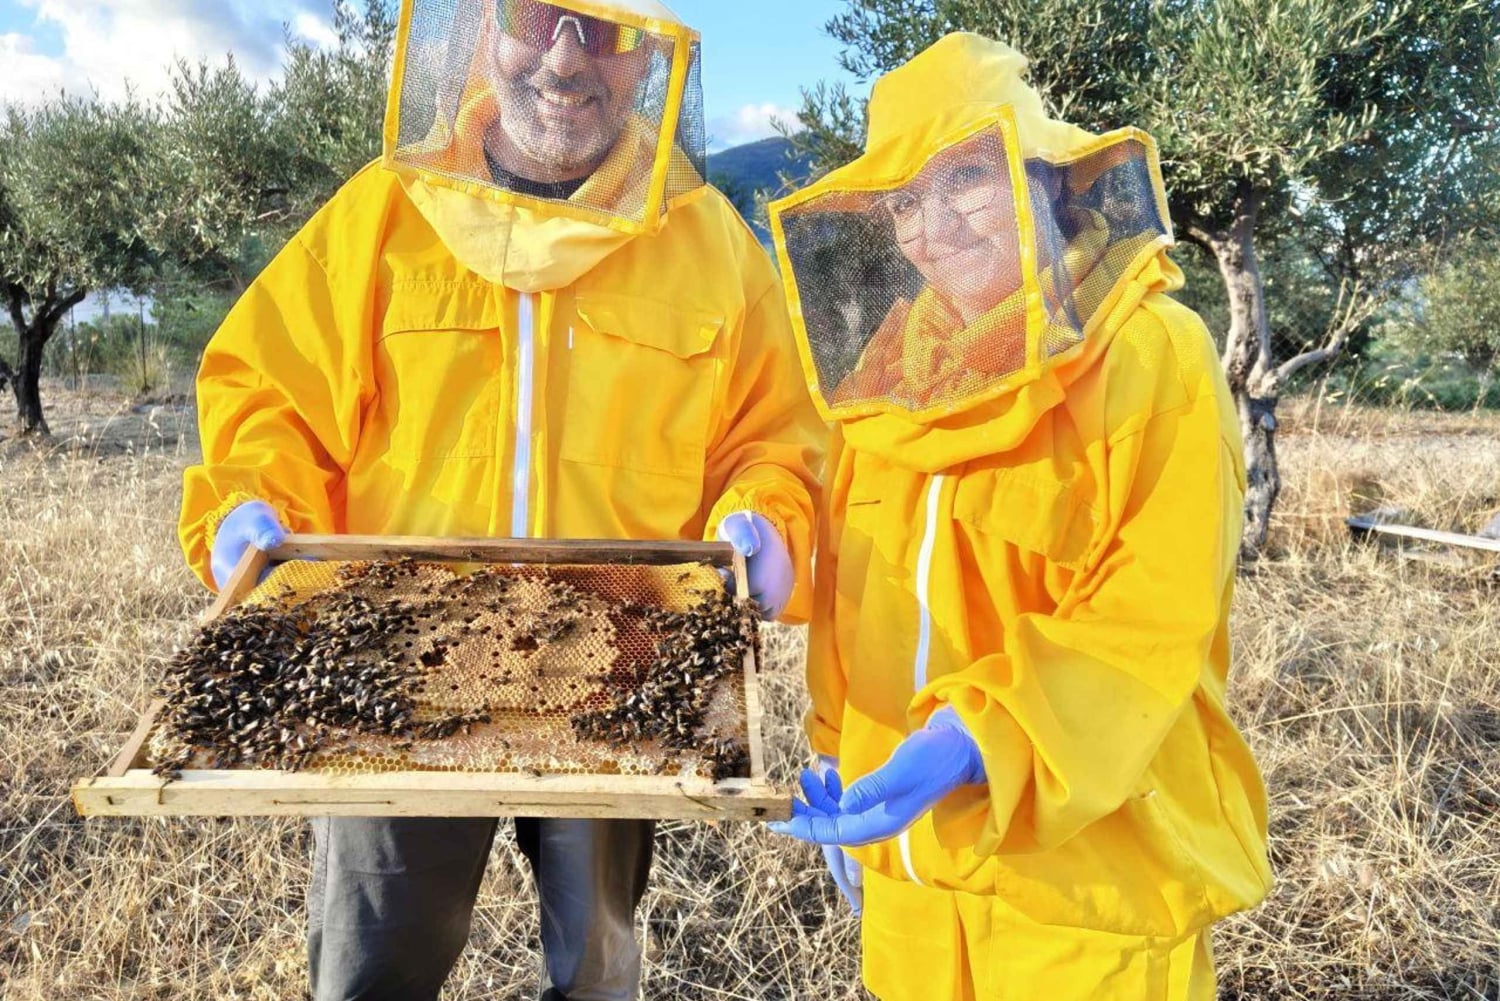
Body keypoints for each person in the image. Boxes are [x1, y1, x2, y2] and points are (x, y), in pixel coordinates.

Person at [177, 2, 823, 999]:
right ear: (480, 27)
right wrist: (248, 507)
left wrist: (765, 522)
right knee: (372, 969)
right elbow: (272, 396)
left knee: (598, 971)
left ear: (649, 57)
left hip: (620, 674)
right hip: (393, 677)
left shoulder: (708, 242)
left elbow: (773, 435)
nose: (567, 62)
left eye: (602, 32)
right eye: (536, 17)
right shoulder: (383, 214)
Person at [767, 33, 1272, 1000]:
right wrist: (839, 743)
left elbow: (1148, 619)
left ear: (1044, 175)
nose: (933, 227)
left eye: (963, 178)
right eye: (906, 200)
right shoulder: (888, 376)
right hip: (910, 881)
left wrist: (978, 735)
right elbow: (858, 598)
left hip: (1082, 892)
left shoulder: (1154, 352)